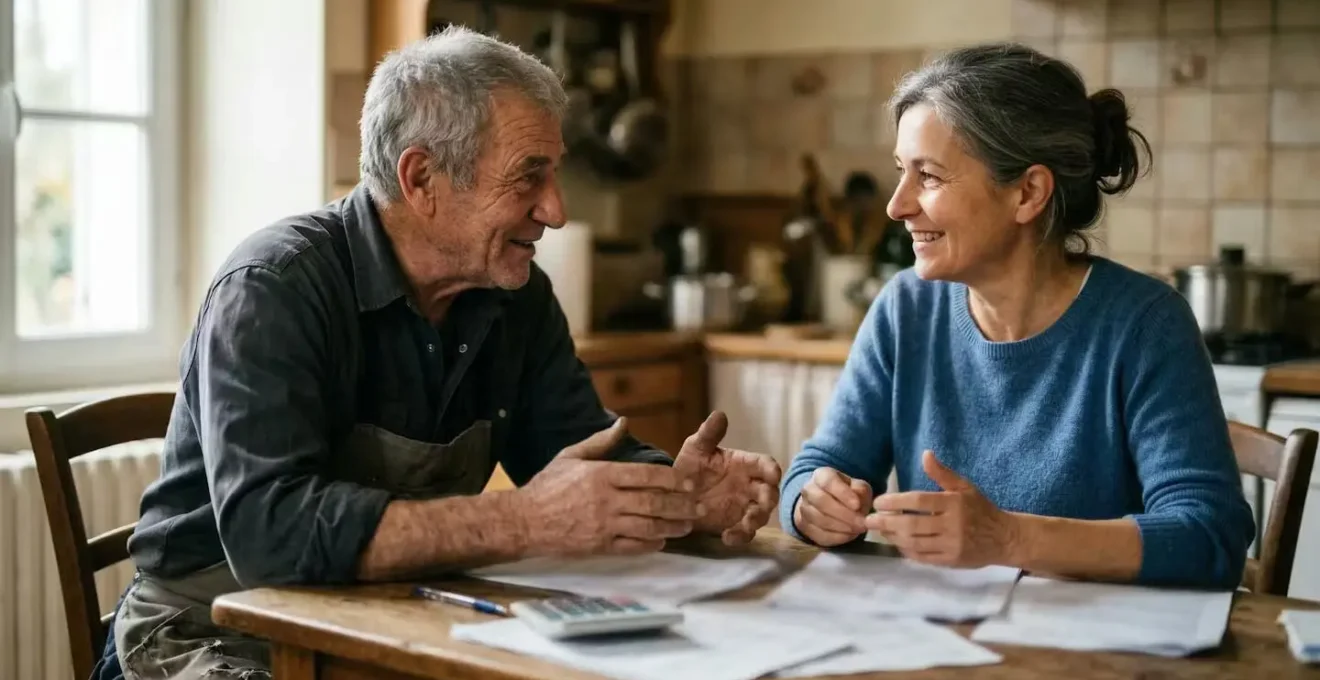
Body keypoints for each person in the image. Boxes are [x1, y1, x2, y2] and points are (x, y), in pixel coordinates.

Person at [107, 26, 781, 680]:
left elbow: (579, 448)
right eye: (528, 178)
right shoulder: (272, 288)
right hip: (213, 632)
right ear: (422, 177)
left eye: (555, 175)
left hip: (391, 614)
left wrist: (680, 495)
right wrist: (527, 518)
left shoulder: (515, 294)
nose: (556, 210)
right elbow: (270, 539)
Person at [780, 42, 1254, 590]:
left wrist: (1008, 539)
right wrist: (813, 501)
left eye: (928, 176)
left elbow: (1209, 535)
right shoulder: (904, 308)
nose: (897, 205)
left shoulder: (1145, 322)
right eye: (899, 172)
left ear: (1027, 192)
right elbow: (819, 466)